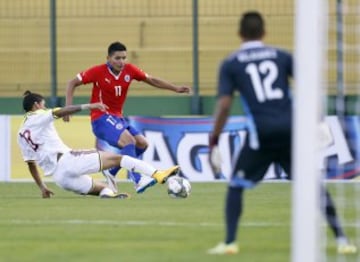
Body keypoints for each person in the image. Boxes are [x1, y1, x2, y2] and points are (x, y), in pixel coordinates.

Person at [207, 11, 356, 255]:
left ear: (240, 34)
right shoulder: (281, 55)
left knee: (236, 185)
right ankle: (342, 240)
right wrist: (319, 121)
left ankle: (230, 242)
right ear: (264, 32)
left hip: (261, 135)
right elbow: (310, 87)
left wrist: (214, 140)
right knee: (313, 185)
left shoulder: (232, 63)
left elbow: (224, 104)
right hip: (291, 131)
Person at [64, 41, 191, 194]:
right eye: (117, 58)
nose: (122, 62)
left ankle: (112, 171)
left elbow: (151, 80)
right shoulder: (98, 72)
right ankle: (137, 179)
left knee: (142, 144)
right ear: (108, 58)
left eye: (124, 58)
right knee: (129, 141)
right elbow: (72, 83)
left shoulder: (129, 70)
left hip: (118, 118)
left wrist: (175, 88)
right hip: (101, 118)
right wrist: (68, 108)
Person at [17, 91, 180, 199]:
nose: (45, 107)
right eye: (43, 104)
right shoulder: (38, 115)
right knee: (120, 158)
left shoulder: (21, 133)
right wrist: (89, 106)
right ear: (37, 105)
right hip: (68, 161)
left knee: (104, 190)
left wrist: (42, 187)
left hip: (60, 179)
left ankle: (110, 196)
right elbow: (60, 112)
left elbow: (31, 164)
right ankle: (158, 174)